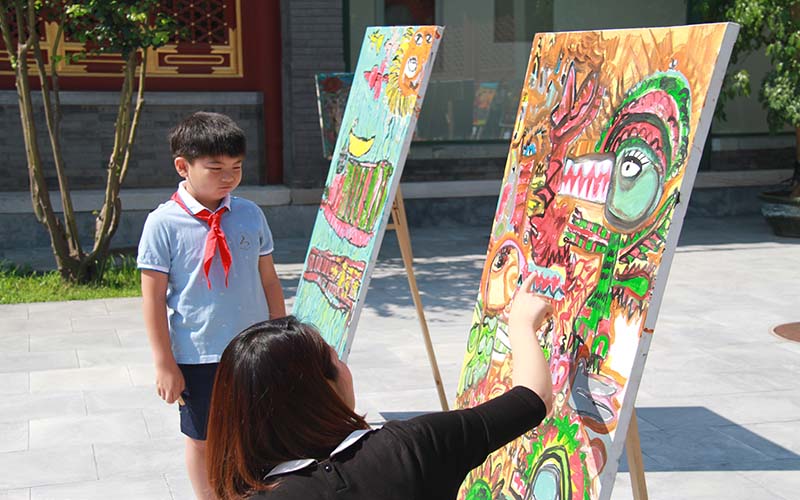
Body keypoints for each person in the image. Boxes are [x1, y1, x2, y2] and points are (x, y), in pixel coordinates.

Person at [206, 273, 553, 500]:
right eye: (335, 359)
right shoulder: (412, 445)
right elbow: (532, 399)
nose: (345, 368)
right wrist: (521, 323)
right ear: (321, 390)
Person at [137, 111, 286, 500]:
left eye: (236, 167)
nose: (228, 177)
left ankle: (254, 490)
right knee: (203, 435)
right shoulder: (163, 224)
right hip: (198, 354)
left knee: (257, 429)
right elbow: (152, 299)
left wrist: (283, 334)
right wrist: (165, 363)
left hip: (254, 349)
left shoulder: (250, 214)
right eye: (216, 167)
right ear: (183, 166)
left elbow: (268, 279)